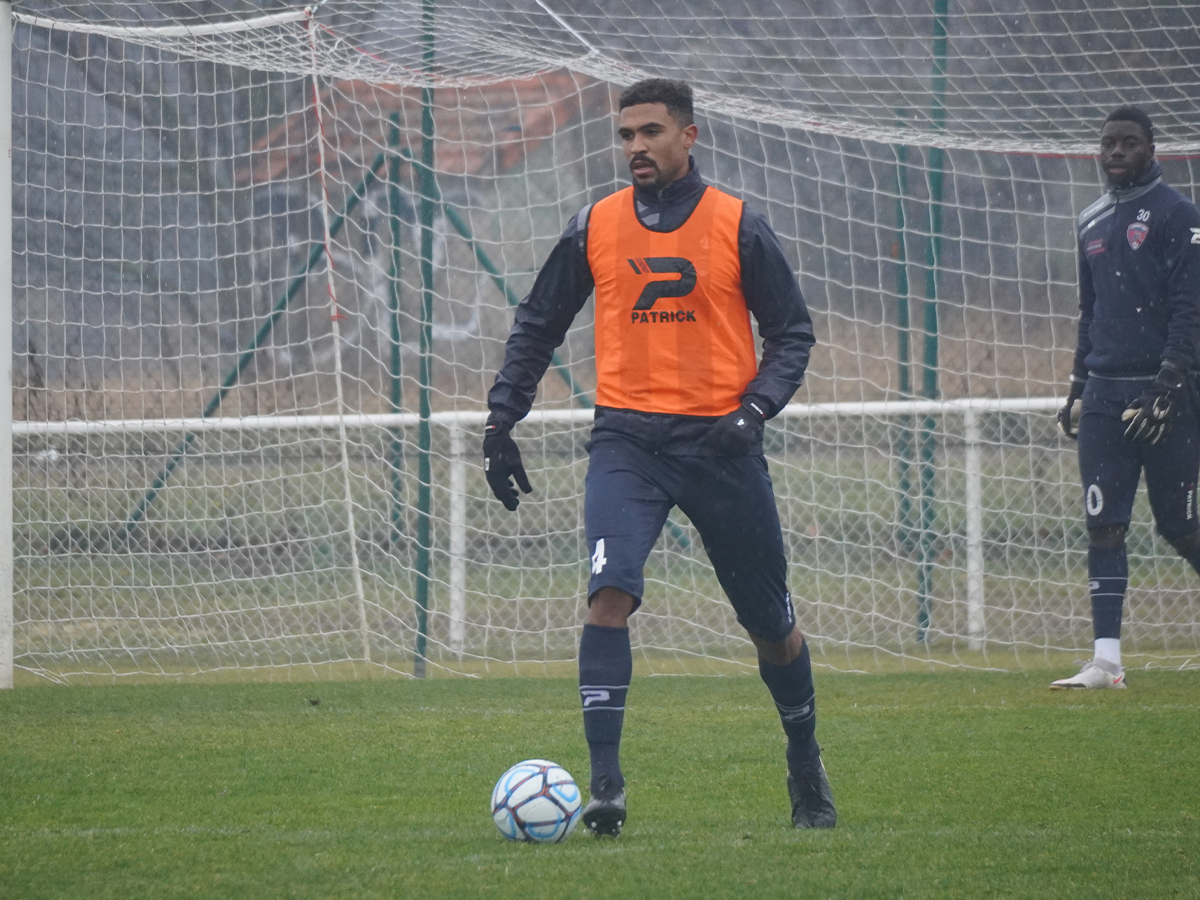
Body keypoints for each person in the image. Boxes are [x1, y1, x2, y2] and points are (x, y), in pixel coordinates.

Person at [482, 78, 834, 834]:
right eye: (626, 135)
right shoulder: (595, 224)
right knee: (608, 593)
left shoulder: (737, 223)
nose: (635, 147)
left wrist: (753, 410)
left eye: (650, 132)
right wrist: (501, 418)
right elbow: (539, 322)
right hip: (628, 443)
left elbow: (792, 334)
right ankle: (605, 787)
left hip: (720, 445)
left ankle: (804, 757)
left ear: (688, 135)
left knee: (770, 624)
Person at [1055, 106, 1200, 689]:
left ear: (1151, 150)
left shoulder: (1178, 215)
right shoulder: (1089, 219)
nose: (1116, 152)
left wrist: (1169, 383)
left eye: (1129, 143)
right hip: (1104, 397)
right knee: (1104, 524)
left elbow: (1190, 308)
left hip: (1167, 396)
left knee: (1179, 527)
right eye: (1108, 143)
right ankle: (1106, 662)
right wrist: (1077, 384)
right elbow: (1090, 310)